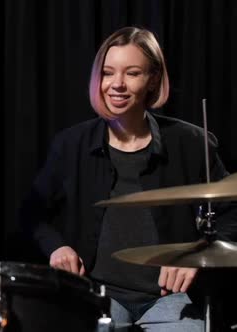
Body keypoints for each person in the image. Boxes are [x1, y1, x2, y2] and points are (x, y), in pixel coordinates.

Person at [20, 26, 237, 331]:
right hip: (101, 293)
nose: (117, 85)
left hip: (173, 297)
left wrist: (196, 255)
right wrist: (57, 247)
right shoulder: (71, 144)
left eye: (132, 73)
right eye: (108, 73)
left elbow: (231, 215)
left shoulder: (191, 142)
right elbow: (32, 214)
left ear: (153, 80)